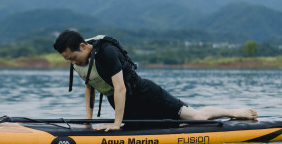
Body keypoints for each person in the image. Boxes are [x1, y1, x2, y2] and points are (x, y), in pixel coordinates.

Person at [53, 30, 258, 131]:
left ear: (82, 46)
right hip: (126, 106)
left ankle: (235, 112)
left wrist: (116, 123)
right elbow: (89, 84)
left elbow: (120, 88)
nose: (71, 62)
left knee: (197, 118)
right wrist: (88, 121)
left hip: (146, 94)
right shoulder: (78, 61)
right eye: (67, 59)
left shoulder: (106, 52)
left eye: (72, 57)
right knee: (159, 128)